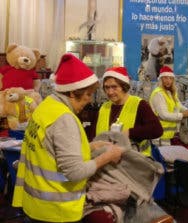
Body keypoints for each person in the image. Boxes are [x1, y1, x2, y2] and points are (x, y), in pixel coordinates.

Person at [12, 53, 124, 223]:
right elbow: (74, 172)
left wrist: (90, 146)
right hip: (57, 210)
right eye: (87, 95)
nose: (88, 101)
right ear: (73, 92)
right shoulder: (64, 119)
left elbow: (50, 148)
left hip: (35, 205)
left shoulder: (46, 107)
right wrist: (107, 156)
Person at [95, 67, 163, 157]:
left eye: (114, 87)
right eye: (107, 87)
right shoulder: (104, 107)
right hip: (107, 160)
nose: (110, 92)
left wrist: (129, 133)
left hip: (135, 163)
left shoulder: (139, 104)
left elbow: (157, 130)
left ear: (124, 86)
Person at [149, 66, 188, 146]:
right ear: (160, 79)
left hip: (166, 134)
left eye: (170, 78)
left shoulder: (171, 92)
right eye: (165, 78)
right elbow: (164, 115)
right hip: (159, 135)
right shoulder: (159, 94)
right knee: (161, 157)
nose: (168, 81)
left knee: (166, 157)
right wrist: (183, 115)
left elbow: (178, 105)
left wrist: (187, 110)